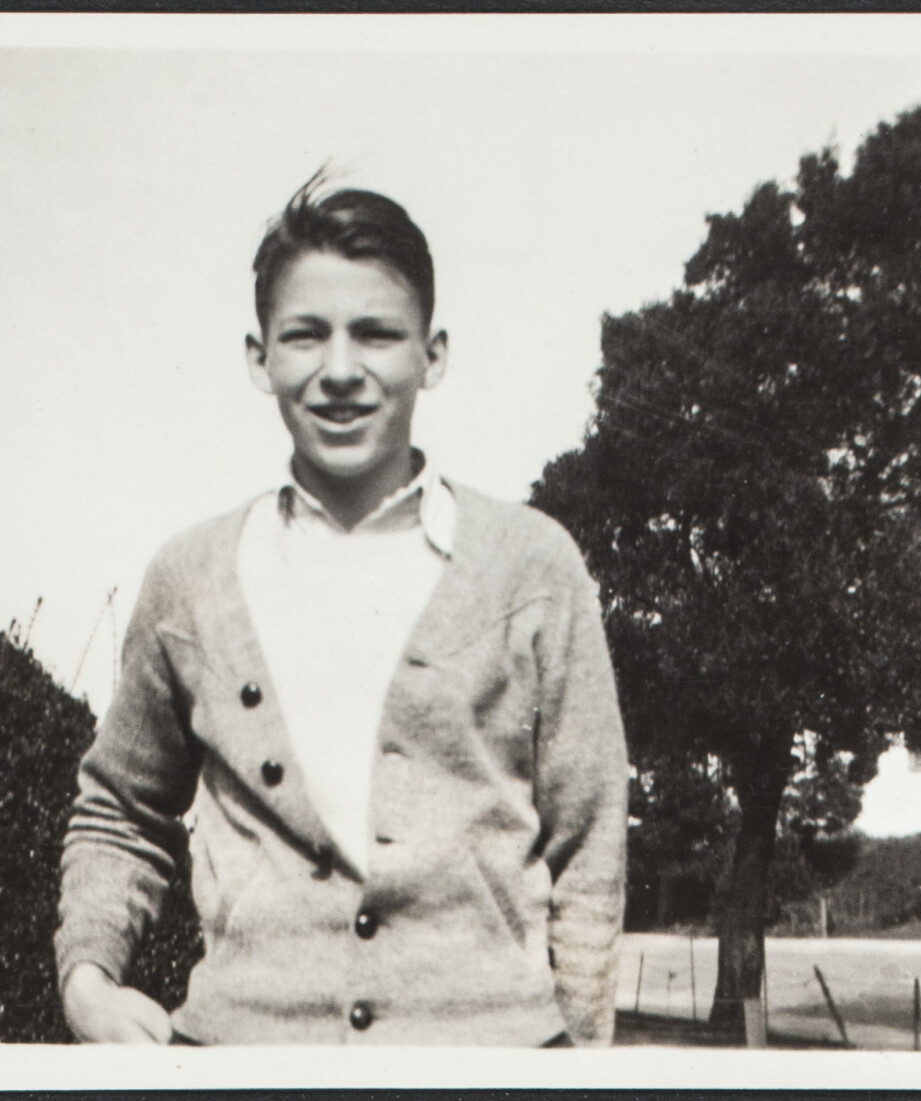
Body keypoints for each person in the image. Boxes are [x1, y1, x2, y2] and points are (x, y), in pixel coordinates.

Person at [55, 178, 629, 1047]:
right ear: (260, 358)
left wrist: (581, 1065)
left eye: (376, 334)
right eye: (305, 335)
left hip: (494, 1062)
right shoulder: (193, 576)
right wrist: (88, 978)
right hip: (241, 1059)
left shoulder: (534, 567)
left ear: (432, 354)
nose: (340, 370)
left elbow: (588, 845)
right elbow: (119, 807)